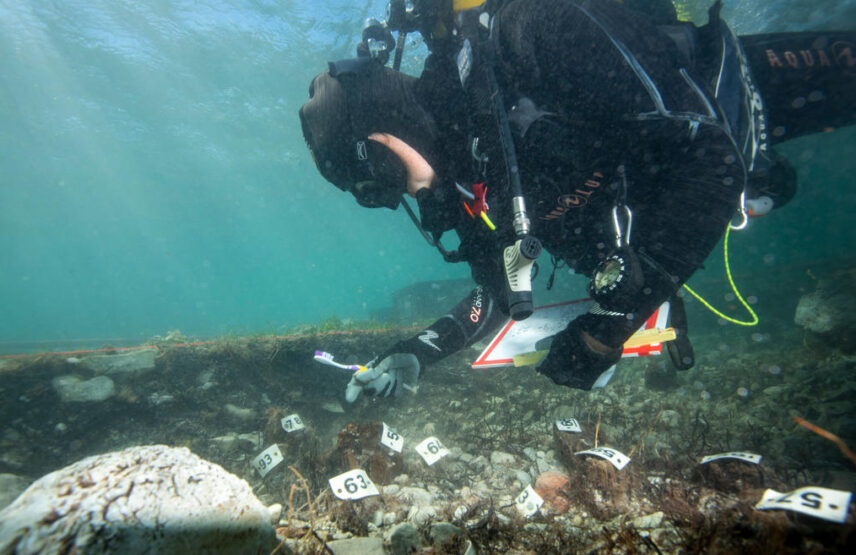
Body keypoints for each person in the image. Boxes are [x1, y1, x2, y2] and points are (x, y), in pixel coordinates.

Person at [299, 0, 855, 401]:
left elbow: (710, 156)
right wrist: (417, 350)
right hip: (692, 189)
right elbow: (497, 291)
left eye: (385, 179)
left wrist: (608, 328)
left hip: (748, 94)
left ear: (389, 129)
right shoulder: (466, 172)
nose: (411, 196)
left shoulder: (532, 29)